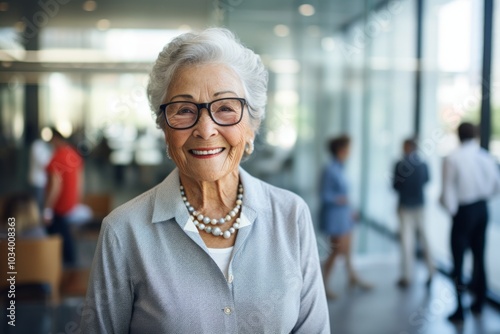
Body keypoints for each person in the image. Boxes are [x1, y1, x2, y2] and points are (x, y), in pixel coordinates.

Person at [81, 28, 330, 333]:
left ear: (252, 125)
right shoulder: (123, 231)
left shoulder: (292, 216)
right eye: (184, 110)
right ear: (164, 128)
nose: (205, 129)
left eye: (225, 107)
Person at [440, 122, 500, 322]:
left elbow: (447, 191)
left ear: (458, 136)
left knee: (458, 261)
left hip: (464, 211)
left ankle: (459, 308)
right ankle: (479, 303)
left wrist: (453, 212)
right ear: (474, 135)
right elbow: (496, 185)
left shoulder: (452, 158)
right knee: (479, 256)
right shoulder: (485, 156)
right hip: (481, 209)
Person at [320, 135, 371, 299]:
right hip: (335, 217)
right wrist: (340, 200)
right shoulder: (330, 170)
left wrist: (351, 210)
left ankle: (353, 278)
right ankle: (322, 285)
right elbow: (325, 195)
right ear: (341, 150)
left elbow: (345, 193)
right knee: (336, 251)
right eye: (348, 149)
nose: (350, 152)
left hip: (345, 216)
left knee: (348, 250)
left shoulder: (341, 167)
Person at [392, 138, 434, 288]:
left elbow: (395, 185)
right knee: (424, 238)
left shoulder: (400, 164)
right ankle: (431, 270)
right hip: (420, 205)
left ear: (408, 147)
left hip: (405, 206)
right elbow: (427, 180)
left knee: (406, 241)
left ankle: (406, 276)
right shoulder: (423, 164)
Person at [44, 127, 84, 267]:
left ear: (55, 139)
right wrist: (76, 200)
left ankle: (56, 265)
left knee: (54, 233)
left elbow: (55, 187)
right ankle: (69, 262)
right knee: (65, 234)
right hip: (71, 203)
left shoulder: (56, 158)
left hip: (59, 206)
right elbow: (80, 181)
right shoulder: (73, 154)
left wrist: (47, 208)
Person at [28, 136, 52, 213]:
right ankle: (36, 223)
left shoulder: (49, 147)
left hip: (46, 181)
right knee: (37, 206)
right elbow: (43, 163)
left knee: (43, 203)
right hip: (38, 181)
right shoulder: (37, 145)